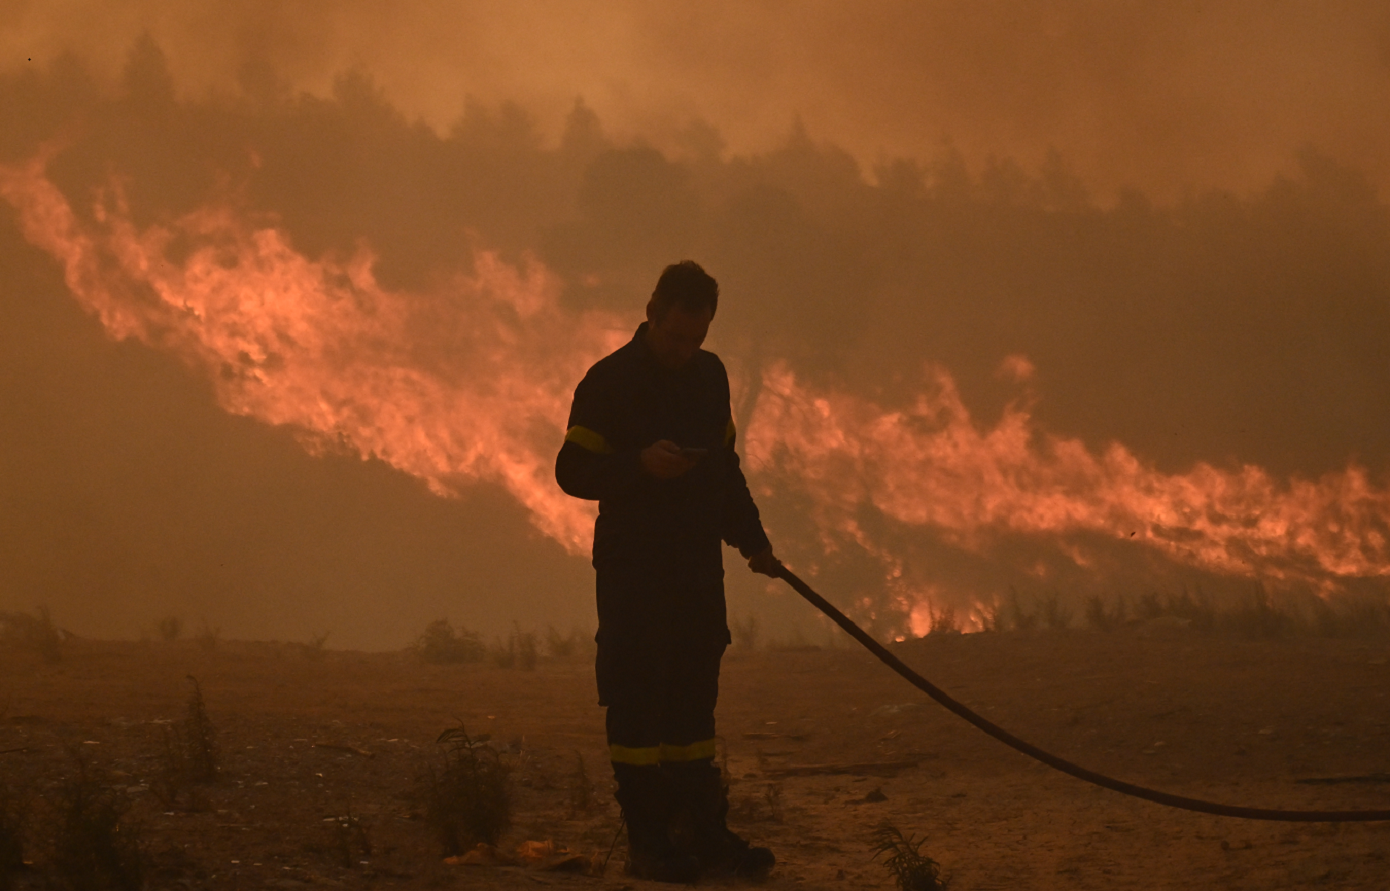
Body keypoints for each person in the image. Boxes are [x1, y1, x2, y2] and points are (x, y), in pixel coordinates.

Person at [555, 261, 780, 883]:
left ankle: (703, 834)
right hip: (634, 567)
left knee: (691, 706)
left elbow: (724, 470)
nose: (685, 350)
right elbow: (571, 470)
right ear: (652, 312)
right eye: (675, 336)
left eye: (696, 339)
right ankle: (649, 843)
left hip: (695, 568)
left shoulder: (710, 378)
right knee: (637, 701)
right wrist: (636, 465)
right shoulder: (610, 382)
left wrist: (753, 541)